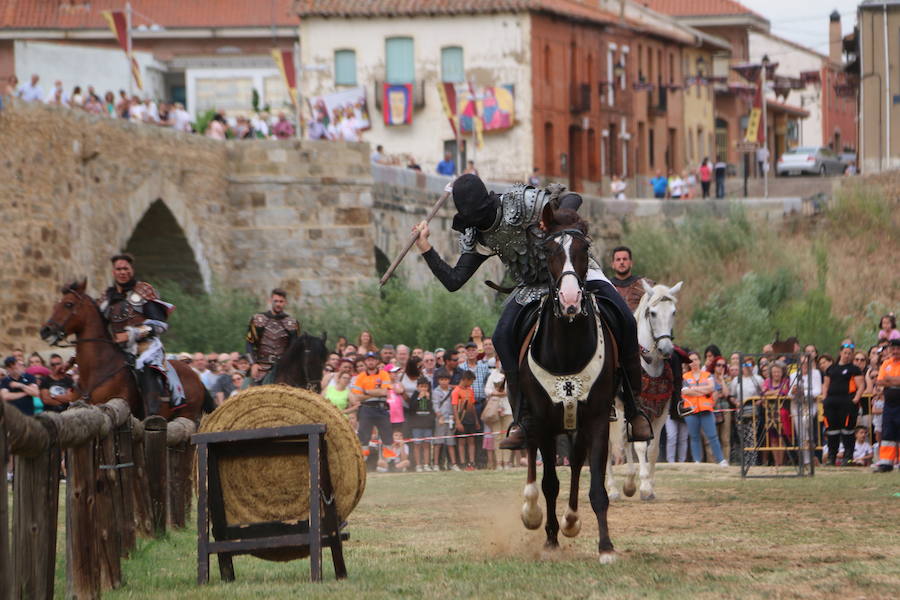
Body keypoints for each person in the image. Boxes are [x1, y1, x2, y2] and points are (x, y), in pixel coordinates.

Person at [412, 174, 653, 450]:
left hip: (573, 274)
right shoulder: (477, 235)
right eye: (474, 219)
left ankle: (635, 409)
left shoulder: (523, 202)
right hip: (532, 285)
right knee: (502, 337)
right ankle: (523, 419)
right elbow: (454, 281)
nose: (480, 222)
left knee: (624, 317)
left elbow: (573, 198)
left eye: (482, 215)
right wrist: (425, 247)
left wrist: (552, 219)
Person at [97, 253, 175, 416]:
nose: (122, 272)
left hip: (144, 348)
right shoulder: (106, 298)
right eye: (118, 269)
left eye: (126, 268)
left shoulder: (144, 291)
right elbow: (98, 327)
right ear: (113, 272)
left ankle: (152, 415)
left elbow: (159, 325)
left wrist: (131, 334)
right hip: (117, 349)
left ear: (132, 270)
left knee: (147, 369)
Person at [681, 352, 728, 466]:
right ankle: (697, 460)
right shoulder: (685, 377)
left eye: (696, 359)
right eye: (691, 360)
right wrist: (703, 390)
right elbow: (685, 391)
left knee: (712, 436)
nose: (694, 362)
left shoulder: (707, 375)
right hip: (691, 411)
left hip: (706, 410)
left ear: (699, 361)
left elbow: (711, 388)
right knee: (694, 436)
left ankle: (721, 460)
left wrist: (694, 389)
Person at [822, 341, 864, 466]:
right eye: (845, 353)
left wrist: (856, 399)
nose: (847, 355)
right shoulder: (831, 369)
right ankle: (831, 457)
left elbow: (861, 386)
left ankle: (848, 457)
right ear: (840, 353)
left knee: (848, 431)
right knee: (832, 431)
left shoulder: (854, 369)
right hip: (831, 404)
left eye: (849, 353)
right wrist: (825, 398)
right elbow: (826, 385)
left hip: (847, 404)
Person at [245, 288, 299, 385]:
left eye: (281, 301)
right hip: (261, 367)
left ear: (285, 302)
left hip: (283, 369)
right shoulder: (258, 319)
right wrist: (253, 364)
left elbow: (295, 349)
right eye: (276, 301)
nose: (278, 304)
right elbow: (249, 343)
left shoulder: (292, 323)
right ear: (270, 301)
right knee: (247, 392)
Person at [351, 351, 393, 450]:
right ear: (365, 362)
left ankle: (387, 463)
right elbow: (356, 396)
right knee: (363, 438)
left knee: (387, 437)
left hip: (381, 408)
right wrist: (374, 393)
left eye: (373, 360)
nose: (370, 362)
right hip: (366, 409)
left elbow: (384, 392)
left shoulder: (383, 374)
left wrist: (365, 392)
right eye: (368, 360)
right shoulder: (361, 376)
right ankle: (364, 462)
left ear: (377, 361)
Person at [872, 339, 900, 472]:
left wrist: (890, 380)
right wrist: (895, 382)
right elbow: (880, 381)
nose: (895, 351)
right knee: (888, 432)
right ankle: (886, 463)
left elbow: (887, 380)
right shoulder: (886, 363)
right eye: (893, 349)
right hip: (889, 404)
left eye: (898, 349)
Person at [608, 245, 654, 312]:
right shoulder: (606, 286)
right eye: (618, 259)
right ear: (613, 264)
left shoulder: (644, 285)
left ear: (631, 263)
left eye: (625, 259)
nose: (621, 262)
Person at [431, 369, 460, 471]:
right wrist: (439, 416)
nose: (444, 382)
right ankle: (435, 464)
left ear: (449, 380)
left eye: (446, 379)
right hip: (440, 420)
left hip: (450, 419)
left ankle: (453, 463)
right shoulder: (435, 391)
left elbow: (454, 405)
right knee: (438, 443)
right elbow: (435, 405)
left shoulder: (452, 391)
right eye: (442, 379)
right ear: (438, 380)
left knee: (451, 443)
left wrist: (455, 418)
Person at [406, 376, 436, 471]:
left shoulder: (430, 396)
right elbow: (411, 409)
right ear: (417, 387)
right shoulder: (415, 395)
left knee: (427, 445)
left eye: (425, 386)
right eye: (421, 386)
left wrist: (428, 399)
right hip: (416, 425)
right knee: (417, 445)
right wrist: (419, 398)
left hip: (427, 425)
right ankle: (418, 465)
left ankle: (426, 464)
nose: (423, 389)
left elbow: (432, 410)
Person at [453, 370, 480, 470]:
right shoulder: (456, 391)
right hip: (462, 419)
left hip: (471, 420)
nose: (471, 384)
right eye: (471, 381)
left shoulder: (470, 390)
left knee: (471, 441)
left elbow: (472, 406)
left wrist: (476, 420)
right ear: (466, 380)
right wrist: (458, 422)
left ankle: (471, 462)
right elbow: (455, 407)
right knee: (461, 442)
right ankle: (463, 462)